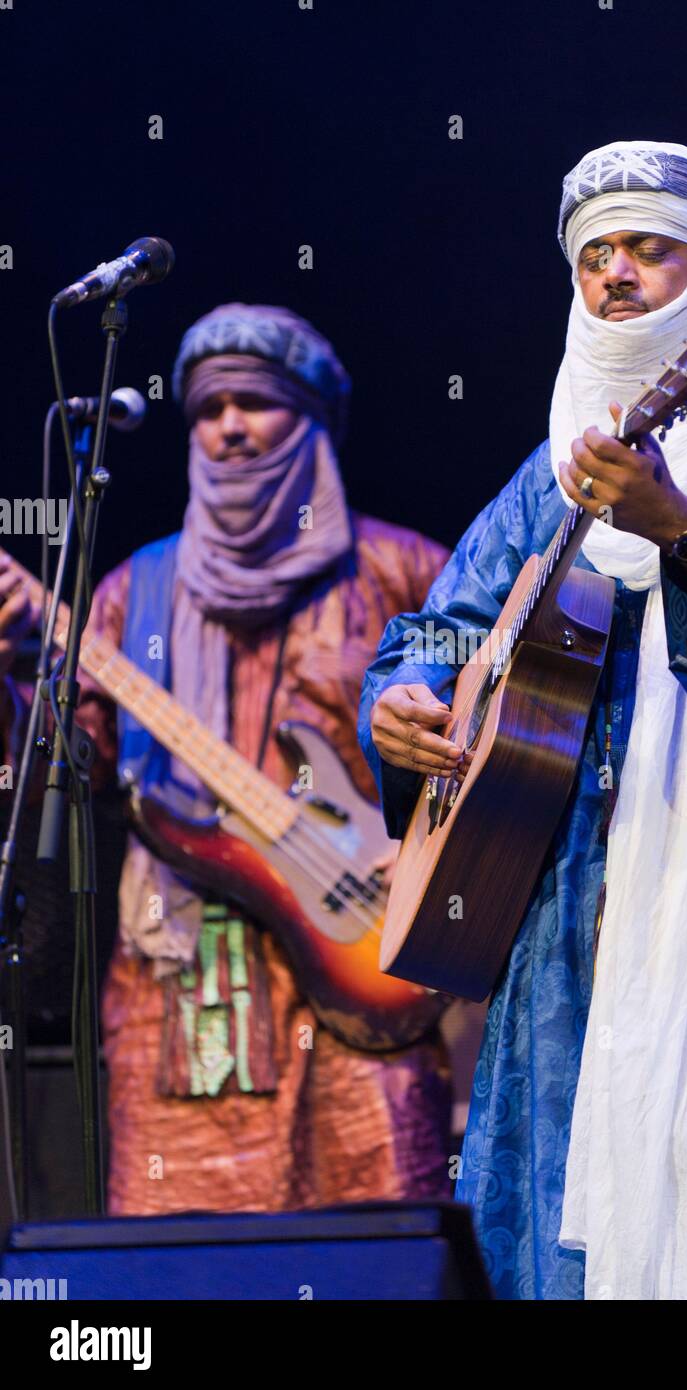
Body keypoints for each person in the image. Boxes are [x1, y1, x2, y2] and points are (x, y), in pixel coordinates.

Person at [359, 141, 687, 1299]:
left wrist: (682, 527)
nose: (615, 273)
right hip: (575, 917)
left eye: (648, 247)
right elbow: (437, 633)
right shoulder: (543, 482)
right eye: (595, 253)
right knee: (569, 1212)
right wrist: (396, 702)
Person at [1, 302, 455, 1215]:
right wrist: (20, 669)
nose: (229, 428)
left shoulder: (403, 573)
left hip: (367, 986)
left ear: (313, 418)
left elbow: (495, 765)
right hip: (181, 1001)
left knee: (377, 1249)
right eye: (208, 410)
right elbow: (72, 774)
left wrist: (429, 860)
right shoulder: (136, 589)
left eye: (254, 403)